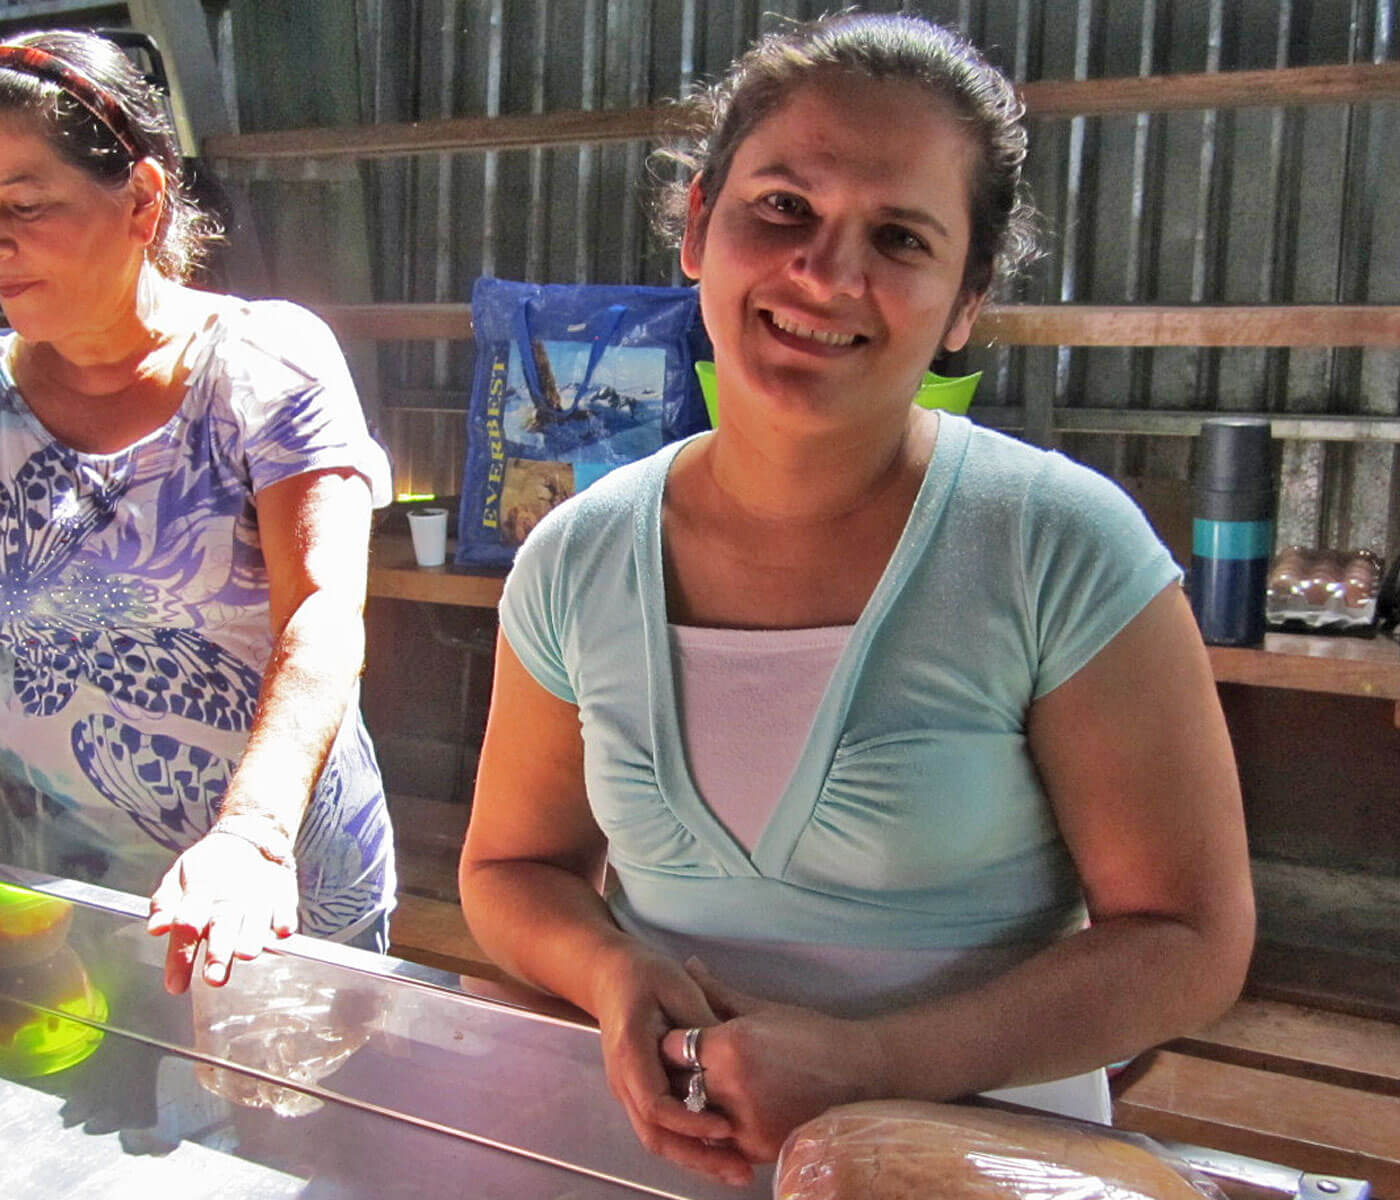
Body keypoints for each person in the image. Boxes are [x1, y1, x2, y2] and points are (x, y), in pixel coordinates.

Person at [460, 12, 1254, 1188]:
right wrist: (612, 973)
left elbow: (1189, 940)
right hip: (670, 1155)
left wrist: (877, 1059)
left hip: (981, 1163)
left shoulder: (1057, 546)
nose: (826, 274)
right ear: (697, 228)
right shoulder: (577, 560)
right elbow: (509, 872)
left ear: (967, 299)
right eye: (781, 207)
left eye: (898, 237)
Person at [0, 30, 394, 993]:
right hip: (57, 894)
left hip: (264, 889)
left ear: (141, 199)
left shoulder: (264, 365)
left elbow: (321, 617)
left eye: (21, 204)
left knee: (285, 1132)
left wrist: (252, 837)